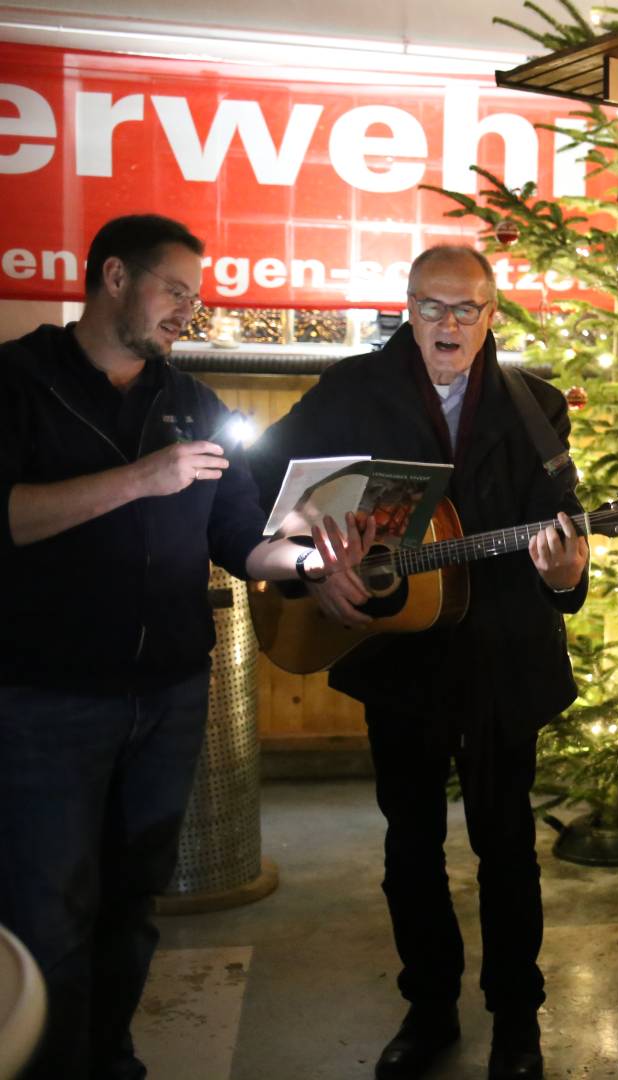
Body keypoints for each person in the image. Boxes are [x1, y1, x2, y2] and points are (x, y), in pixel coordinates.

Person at [0, 214, 366, 1080]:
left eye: (196, 300)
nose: (188, 313)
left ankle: (110, 1054)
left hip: (167, 694)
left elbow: (242, 541)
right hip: (45, 698)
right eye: (176, 291)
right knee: (47, 910)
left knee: (134, 902)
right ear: (114, 276)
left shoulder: (190, 400)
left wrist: (312, 554)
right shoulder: (17, 381)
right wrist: (141, 479)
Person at [248, 245, 588, 1080]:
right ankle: (429, 1007)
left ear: (491, 314)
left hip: (503, 658)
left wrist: (568, 573)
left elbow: (564, 530)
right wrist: (310, 566)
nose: (448, 325)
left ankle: (517, 1022)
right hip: (395, 653)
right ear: (407, 307)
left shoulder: (535, 406)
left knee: (506, 846)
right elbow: (264, 483)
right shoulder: (352, 392)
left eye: (465, 309)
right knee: (411, 846)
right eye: (432, 308)